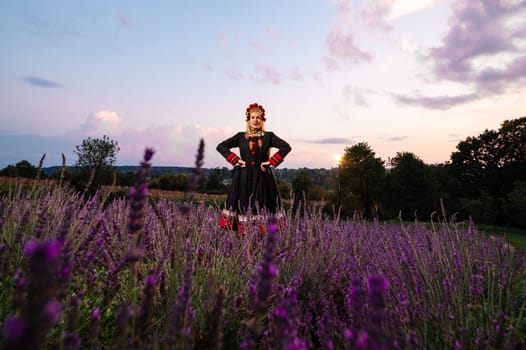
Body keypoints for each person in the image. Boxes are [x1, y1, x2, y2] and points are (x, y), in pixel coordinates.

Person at [217, 102, 291, 232]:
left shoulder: (269, 136)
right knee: (244, 205)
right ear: (248, 119)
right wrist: (236, 160)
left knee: (262, 205)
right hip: (243, 178)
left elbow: (286, 147)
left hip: (263, 178)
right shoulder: (241, 136)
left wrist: (270, 162)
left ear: (262, 120)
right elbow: (221, 146)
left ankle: (261, 239)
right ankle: (246, 241)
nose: (255, 120)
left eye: (258, 117)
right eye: (253, 117)